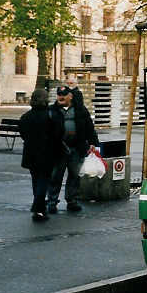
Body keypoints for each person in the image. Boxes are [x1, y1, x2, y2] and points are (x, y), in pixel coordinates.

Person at [48, 84, 100, 213]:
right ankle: (52, 202)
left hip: (76, 148)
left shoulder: (80, 109)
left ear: (70, 96)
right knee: (55, 177)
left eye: (63, 95)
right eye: (59, 95)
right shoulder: (51, 110)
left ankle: (72, 201)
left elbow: (89, 126)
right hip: (58, 149)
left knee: (74, 176)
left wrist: (93, 142)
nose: (61, 97)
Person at [19, 89, 62, 221]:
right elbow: (58, 133)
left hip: (31, 153)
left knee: (35, 180)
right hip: (47, 153)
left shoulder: (26, 117)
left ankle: (39, 208)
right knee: (44, 180)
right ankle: (38, 208)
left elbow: (23, 134)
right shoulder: (51, 115)